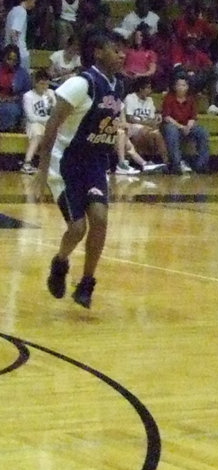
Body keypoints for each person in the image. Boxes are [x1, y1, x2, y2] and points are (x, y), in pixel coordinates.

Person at [32, 31, 128, 308]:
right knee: (77, 228)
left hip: (95, 162)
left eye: (123, 50)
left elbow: (108, 124)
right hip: (66, 163)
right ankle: (60, 262)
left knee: (100, 218)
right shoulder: (80, 83)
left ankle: (86, 283)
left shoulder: (118, 86)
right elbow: (52, 125)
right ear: (97, 52)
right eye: (116, 50)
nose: (122, 55)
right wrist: (42, 169)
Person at [161, 74, 211, 174]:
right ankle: (176, 164)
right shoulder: (169, 98)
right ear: (174, 87)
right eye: (179, 85)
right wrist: (181, 127)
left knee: (203, 132)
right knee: (171, 130)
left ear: (187, 87)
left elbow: (193, 117)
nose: (181, 87)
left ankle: (201, 165)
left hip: (187, 125)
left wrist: (188, 127)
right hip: (174, 125)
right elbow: (167, 117)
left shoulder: (191, 99)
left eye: (183, 85)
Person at [20, 70, 54, 173]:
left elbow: (55, 113)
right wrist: (47, 120)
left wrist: (52, 103)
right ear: (35, 83)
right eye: (42, 84)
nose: (45, 87)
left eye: (47, 84)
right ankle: (27, 163)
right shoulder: (28, 96)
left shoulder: (51, 93)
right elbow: (31, 117)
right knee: (38, 133)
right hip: (33, 124)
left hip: (49, 124)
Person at [0, 43, 31, 131]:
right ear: (3, 57)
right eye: (9, 59)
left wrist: (12, 98)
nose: (11, 62)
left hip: (14, 102)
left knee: (11, 110)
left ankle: (7, 132)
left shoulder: (23, 73)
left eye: (14, 60)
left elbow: (27, 93)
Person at [6, 0, 35, 70]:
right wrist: (15, 52)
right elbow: (14, 32)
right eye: (34, 1)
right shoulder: (22, 12)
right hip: (20, 53)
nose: (34, 5)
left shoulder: (12, 11)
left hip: (9, 51)